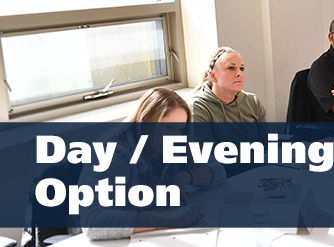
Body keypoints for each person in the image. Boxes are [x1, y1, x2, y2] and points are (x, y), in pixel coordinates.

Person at [81, 87, 227, 240]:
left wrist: (183, 177)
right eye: (168, 127)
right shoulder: (113, 153)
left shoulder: (175, 143)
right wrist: (168, 220)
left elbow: (219, 171)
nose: (175, 137)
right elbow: (93, 224)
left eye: (180, 129)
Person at [190, 47, 267, 176]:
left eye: (241, 68)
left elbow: (265, 147)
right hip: (222, 179)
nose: (239, 73)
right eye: (231, 68)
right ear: (213, 75)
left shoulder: (253, 101)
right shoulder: (198, 107)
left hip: (256, 174)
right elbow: (208, 158)